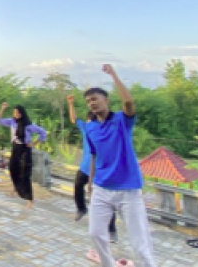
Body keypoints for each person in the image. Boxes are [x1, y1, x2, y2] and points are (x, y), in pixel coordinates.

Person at [86, 64, 156, 267]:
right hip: (101, 187)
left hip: (128, 190)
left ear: (105, 100)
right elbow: (93, 156)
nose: (92, 103)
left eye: (95, 99)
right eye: (89, 101)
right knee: (95, 234)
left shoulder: (121, 121)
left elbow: (128, 101)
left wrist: (113, 74)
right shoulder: (91, 129)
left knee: (139, 241)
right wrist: (90, 183)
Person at [68, 94, 118, 242]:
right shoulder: (86, 128)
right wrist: (70, 104)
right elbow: (74, 119)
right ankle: (81, 208)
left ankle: (111, 229)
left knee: (106, 200)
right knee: (77, 185)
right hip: (85, 167)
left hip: (100, 170)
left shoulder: (106, 130)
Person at [0, 102, 47, 209]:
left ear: (22, 113)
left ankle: (29, 199)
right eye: (14, 112)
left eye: (18, 112)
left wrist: (34, 143)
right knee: (13, 169)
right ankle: (16, 188)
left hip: (25, 149)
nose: (16, 114)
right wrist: (2, 109)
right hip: (15, 147)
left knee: (25, 173)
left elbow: (43, 132)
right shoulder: (12, 122)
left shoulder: (28, 124)